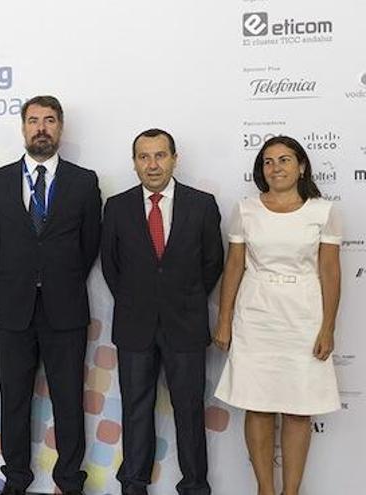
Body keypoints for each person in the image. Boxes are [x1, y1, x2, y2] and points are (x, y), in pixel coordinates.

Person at [0, 95, 101, 495]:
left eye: (49, 120)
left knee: (69, 400)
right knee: (14, 400)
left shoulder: (84, 182)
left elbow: (89, 246)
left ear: (61, 128)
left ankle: (69, 480)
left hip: (65, 310)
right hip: (13, 310)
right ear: (23, 127)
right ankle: (16, 478)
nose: (41, 128)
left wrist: (56, 279)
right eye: (33, 120)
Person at [214, 135, 341, 495]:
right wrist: (224, 320)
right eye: (269, 162)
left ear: (301, 166)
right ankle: (265, 490)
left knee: (300, 408)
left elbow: (331, 273)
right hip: (255, 316)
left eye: (284, 160)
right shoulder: (246, 210)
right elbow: (234, 266)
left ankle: (291, 492)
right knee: (258, 405)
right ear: (262, 170)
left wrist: (328, 328)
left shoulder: (324, 212)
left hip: (303, 317)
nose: (276, 168)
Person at [101, 129, 223, 495]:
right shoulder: (117, 206)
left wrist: (180, 298)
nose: (152, 164)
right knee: (136, 411)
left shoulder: (202, 204)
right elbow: (111, 265)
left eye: (159, 156)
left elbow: (212, 263)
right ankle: (134, 484)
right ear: (134, 162)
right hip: (135, 325)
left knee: (189, 411)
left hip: (185, 324)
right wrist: (139, 300)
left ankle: (195, 486)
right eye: (144, 157)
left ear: (174, 158)